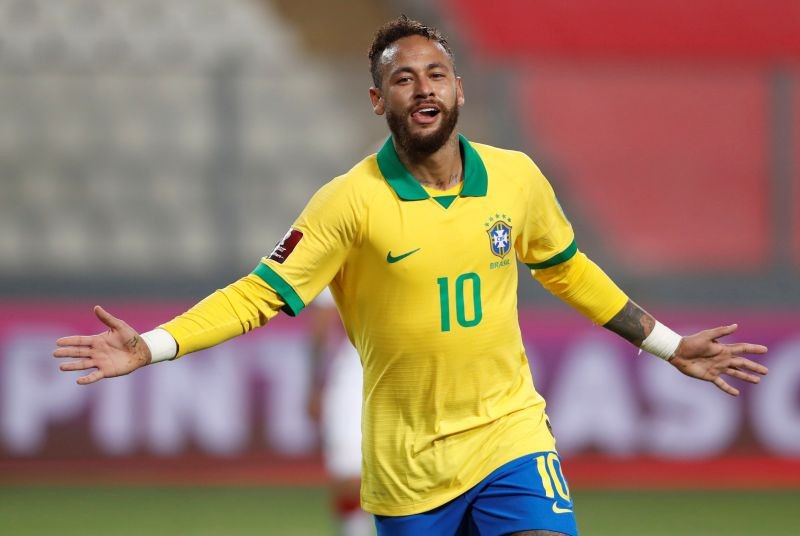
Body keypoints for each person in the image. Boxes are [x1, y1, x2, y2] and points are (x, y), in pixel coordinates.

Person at [54, 16, 769, 536]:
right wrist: (151, 345)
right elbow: (259, 294)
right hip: (406, 467)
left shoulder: (515, 179)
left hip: (510, 438)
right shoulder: (349, 202)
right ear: (378, 102)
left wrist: (670, 346)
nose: (422, 87)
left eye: (435, 74)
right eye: (402, 78)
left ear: (459, 88)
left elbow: (568, 270)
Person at [307, 288, 373, 536]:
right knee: (348, 475)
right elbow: (322, 324)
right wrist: (315, 384)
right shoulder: (342, 250)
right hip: (358, 368)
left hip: (413, 366)